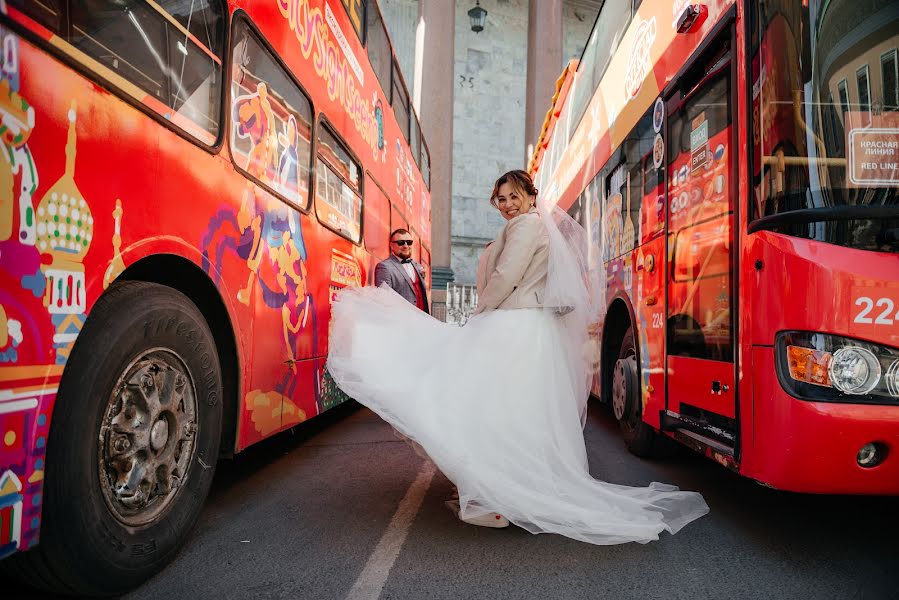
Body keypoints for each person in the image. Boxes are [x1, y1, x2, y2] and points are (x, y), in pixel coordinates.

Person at [327, 170, 709, 545]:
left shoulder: (526, 226)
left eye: (513, 196)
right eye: (501, 199)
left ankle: (498, 496)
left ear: (529, 195)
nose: (507, 205)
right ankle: (501, 492)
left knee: (492, 410)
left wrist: (482, 308)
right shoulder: (535, 224)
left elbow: (509, 274)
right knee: (511, 412)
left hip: (513, 322)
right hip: (524, 326)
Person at [374, 228, 430, 314]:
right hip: (401, 321)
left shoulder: (417, 266)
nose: (406, 246)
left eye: (409, 242)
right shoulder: (384, 267)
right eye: (401, 243)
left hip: (421, 320)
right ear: (391, 245)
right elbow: (384, 299)